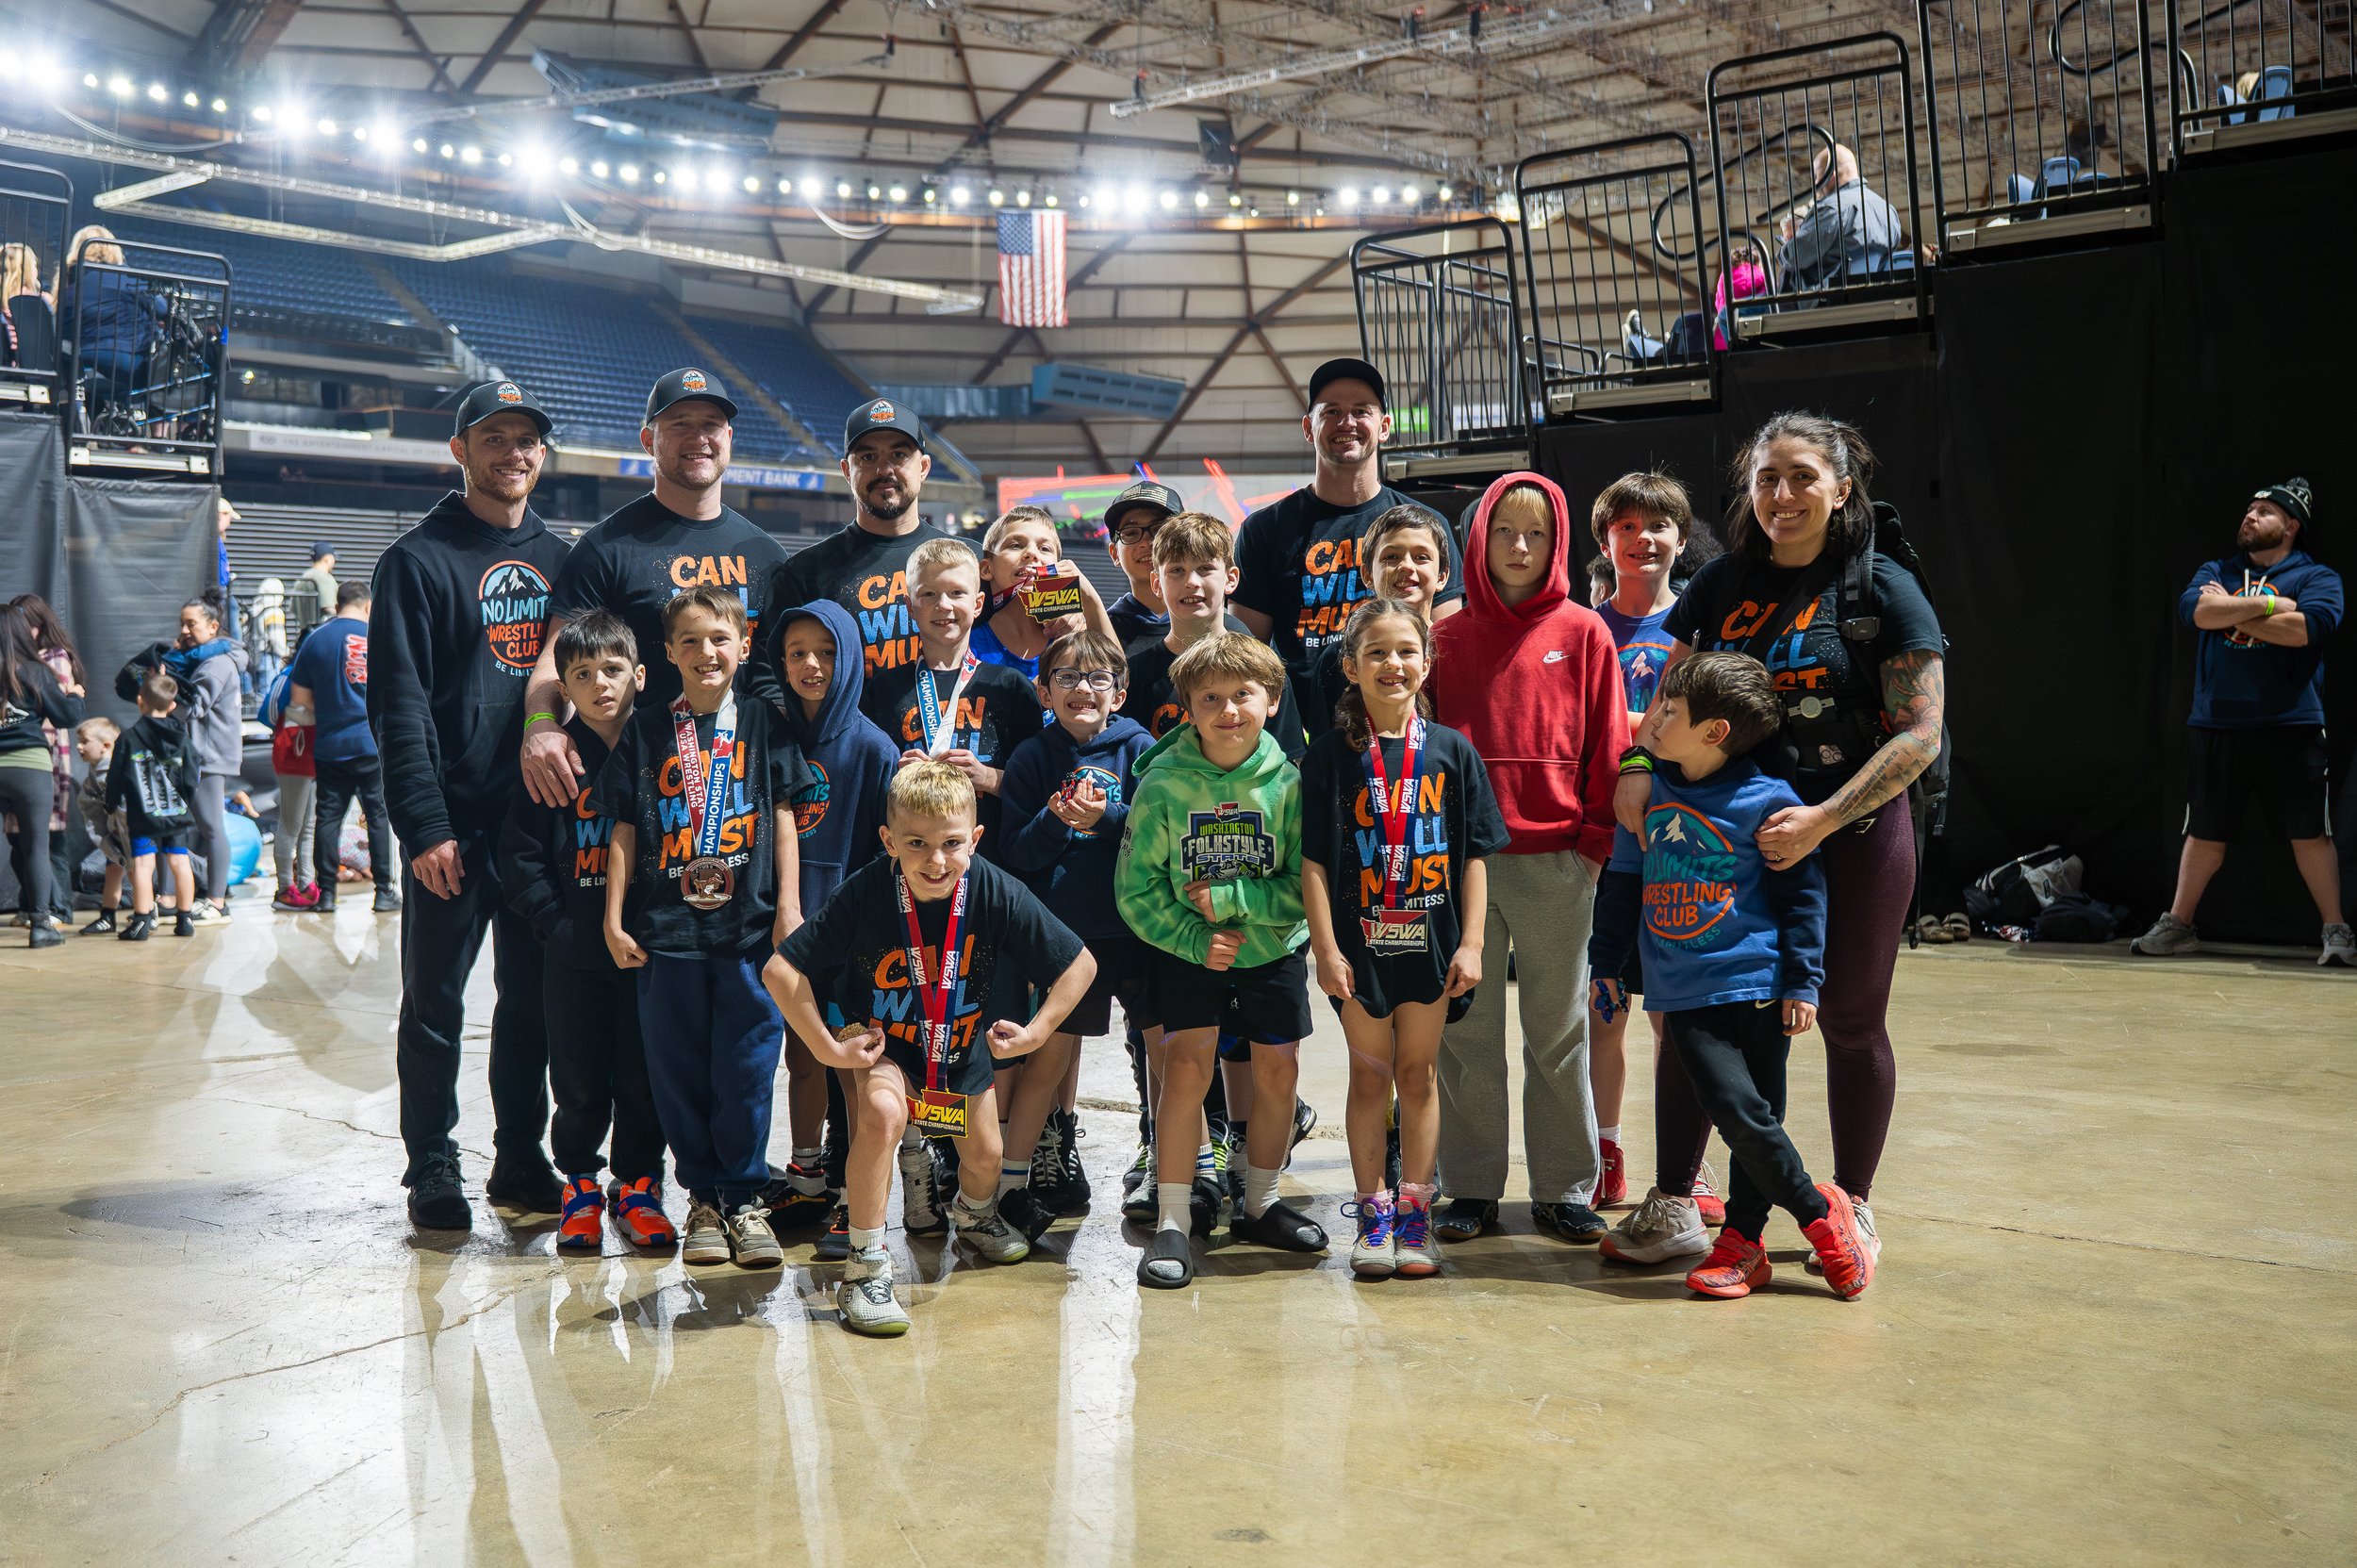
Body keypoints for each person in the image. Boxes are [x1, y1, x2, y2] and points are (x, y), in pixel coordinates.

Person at [1621, 411, 1946, 1276]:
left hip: (1855, 830)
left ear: (1842, 488)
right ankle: (1680, 1196)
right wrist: (1635, 763)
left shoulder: (1884, 588)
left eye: (1803, 475)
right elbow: (1662, 693)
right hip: (1724, 834)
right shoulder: (1723, 583)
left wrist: (1823, 819)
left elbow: (1920, 737)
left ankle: (1851, 1201)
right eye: (1768, 477)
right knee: (1694, 1012)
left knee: (1846, 1016)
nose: (1783, 494)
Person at [768, 760, 1096, 1335]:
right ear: (888, 841)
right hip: (884, 1047)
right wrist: (825, 1048)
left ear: (975, 839)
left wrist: (1038, 1032)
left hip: (961, 1054)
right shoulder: (868, 890)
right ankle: (866, 1267)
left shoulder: (993, 888)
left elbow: (1080, 964)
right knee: (880, 1111)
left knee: (987, 1159)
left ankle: (972, 1217)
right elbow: (781, 971)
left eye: (950, 843)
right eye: (916, 844)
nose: (935, 860)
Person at [1592, 652, 1875, 1298]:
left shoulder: (1770, 802)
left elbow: (1804, 898)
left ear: (1715, 732)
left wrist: (1804, 980)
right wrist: (1603, 963)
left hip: (1759, 986)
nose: (1655, 716)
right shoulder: (1647, 795)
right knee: (1733, 1107)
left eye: (1671, 709)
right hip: (1683, 992)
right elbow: (1622, 886)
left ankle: (1744, 1244)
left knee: (1759, 1117)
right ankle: (1818, 1212)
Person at [370, 379, 572, 1230]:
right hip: (451, 828)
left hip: (535, 831)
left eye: (526, 439)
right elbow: (400, 704)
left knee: (531, 1008)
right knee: (436, 1006)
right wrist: (423, 825)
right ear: (460, 450)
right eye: (494, 437)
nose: (513, 452)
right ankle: (432, 1164)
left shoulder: (565, 561)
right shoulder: (416, 560)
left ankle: (521, 1157)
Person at [1426, 473, 1629, 1244]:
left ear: (1557, 544)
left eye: (1535, 534)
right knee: (1465, 1035)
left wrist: (1593, 848)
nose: (1518, 545)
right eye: (1504, 530)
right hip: (1460, 869)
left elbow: (1608, 745)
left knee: (1558, 1029)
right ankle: (1470, 1187)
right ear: (1478, 539)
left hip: (1557, 866)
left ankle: (1564, 1188)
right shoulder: (1444, 636)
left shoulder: (1583, 632)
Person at [596, 586, 805, 1269]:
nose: (705, 651)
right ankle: (704, 1201)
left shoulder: (767, 724)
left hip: (748, 934)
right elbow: (623, 826)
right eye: (689, 639)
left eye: (719, 637)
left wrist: (789, 910)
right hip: (667, 934)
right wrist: (613, 916)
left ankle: (744, 1198)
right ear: (667, 653)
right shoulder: (649, 728)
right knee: (679, 1071)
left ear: (744, 645)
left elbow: (782, 818)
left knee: (746, 1069)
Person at [1301, 600, 1508, 1279]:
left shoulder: (1453, 751)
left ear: (1427, 660)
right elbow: (1313, 863)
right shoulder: (1329, 756)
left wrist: (1473, 942)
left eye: (1406, 651)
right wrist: (1325, 951)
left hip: (1432, 943)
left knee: (1417, 1075)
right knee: (1370, 1074)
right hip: (1358, 950)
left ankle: (1414, 1213)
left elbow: (1476, 854)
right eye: (1378, 653)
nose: (1394, 664)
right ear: (1351, 666)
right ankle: (1372, 1212)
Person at [1116, 632, 1327, 1288]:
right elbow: (1135, 888)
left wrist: (1237, 898)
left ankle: (1259, 1201)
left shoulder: (1290, 783)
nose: (1228, 709)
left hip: (1272, 951)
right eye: (1211, 697)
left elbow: (1306, 882)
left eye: (1244, 694)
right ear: (1188, 706)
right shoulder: (1162, 785)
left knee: (1278, 1067)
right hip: (1188, 951)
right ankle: (1175, 1217)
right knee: (1184, 1068)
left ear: (1271, 700)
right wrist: (1191, 938)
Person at [522, 369, 789, 810]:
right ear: (648, 440)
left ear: (729, 437)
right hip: (643, 786)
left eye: (710, 425)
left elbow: (776, 675)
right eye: (680, 423)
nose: (698, 437)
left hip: (742, 785)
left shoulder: (766, 554)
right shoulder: (605, 548)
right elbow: (558, 655)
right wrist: (542, 721)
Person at [498, 611, 675, 1252]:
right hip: (573, 956)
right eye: (582, 674)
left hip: (647, 955)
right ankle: (579, 1184)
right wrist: (557, 923)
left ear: (641, 675)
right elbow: (517, 855)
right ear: (562, 689)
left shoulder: (666, 754)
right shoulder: (556, 762)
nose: (600, 684)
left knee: (643, 1078)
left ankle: (639, 1185)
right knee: (576, 1081)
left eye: (612, 670)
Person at [2132, 478, 2350, 965]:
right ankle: (2179, 924)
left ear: (2291, 526)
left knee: (2309, 832)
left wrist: (2228, 613)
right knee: (2205, 831)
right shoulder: (2218, 569)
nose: (2250, 516)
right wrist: (2272, 604)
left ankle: (2336, 931)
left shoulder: (2317, 577)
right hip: (2218, 724)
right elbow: (2196, 612)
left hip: (2292, 725)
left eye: (2265, 512)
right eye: (2249, 509)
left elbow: (2306, 630)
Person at [997, 628, 1158, 1238]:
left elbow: (1155, 833)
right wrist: (1057, 819)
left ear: (1118, 691)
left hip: (1135, 929)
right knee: (1051, 1055)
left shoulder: (1138, 747)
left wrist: (1110, 817)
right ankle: (1013, 1178)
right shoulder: (1034, 757)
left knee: (1160, 1049)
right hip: (1068, 939)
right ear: (1044, 690)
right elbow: (1016, 851)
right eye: (1066, 677)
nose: (1082, 688)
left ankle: (1166, 1165)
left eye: (1097, 678)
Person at [769, 599, 901, 1244]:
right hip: (788, 926)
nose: (811, 664)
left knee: (853, 1062)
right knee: (803, 1054)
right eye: (797, 653)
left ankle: (857, 1194)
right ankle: (807, 1177)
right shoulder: (770, 731)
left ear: (850, 656)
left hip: (851, 931)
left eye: (825, 652)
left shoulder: (875, 746)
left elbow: (885, 848)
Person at [1586, 473, 1695, 1212]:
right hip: (1608, 860)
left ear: (1681, 540)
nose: (1643, 538)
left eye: (1658, 526)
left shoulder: (1698, 624)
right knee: (1606, 1009)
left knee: (1677, 1018)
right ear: (1606, 542)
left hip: (1678, 851)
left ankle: (1687, 1165)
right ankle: (1607, 1149)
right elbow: (1580, 734)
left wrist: (1630, 729)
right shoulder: (1585, 628)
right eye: (1628, 526)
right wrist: (1645, 727)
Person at [1231, 357, 1460, 708]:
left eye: (1361, 411)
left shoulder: (1425, 526)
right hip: (1306, 734)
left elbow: (1446, 644)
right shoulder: (1265, 530)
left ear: (1384, 426)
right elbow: (1247, 653)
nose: (1347, 422)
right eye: (1332, 412)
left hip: (1405, 723)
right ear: (1309, 427)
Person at [859, 537, 1047, 853]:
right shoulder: (883, 690)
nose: (943, 605)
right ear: (911, 607)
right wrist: (897, 779)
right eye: (929, 594)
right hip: (910, 862)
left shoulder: (1010, 687)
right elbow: (864, 787)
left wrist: (988, 777)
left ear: (977, 604)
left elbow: (1040, 786)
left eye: (957, 593)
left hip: (992, 861)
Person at [764, 398, 949, 685]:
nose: (884, 469)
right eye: (867, 457)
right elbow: (771, 678)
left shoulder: (966, 561)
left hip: (953, 726)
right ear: (847, 471)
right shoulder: (804, 574)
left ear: (924, 467)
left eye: (899, 455)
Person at [1127, 511, 1309, 758]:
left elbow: (1290, 762)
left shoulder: (1264, 668)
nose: (1191, 581)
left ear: (1231, 579)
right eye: (1177, 570)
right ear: (1157, 583)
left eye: (1205, 568)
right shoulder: (1133, 676)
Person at [289, 582, 397, 915]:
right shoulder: (379, 637)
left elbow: (299, 700)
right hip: (371, 744)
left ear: (337, 605)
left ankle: (327, 895)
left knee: (328, 820)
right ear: (367, 607)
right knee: (378, 817)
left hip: (330, 746)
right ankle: (384, 892)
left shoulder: (316, 639)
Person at [1303, 504, 1451, 743]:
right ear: (1368, 575)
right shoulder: (1338, 656)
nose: (1406, 566)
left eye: (1421, 557)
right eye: (1391, 557)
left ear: (1442, 576)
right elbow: (1323, 752)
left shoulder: (1457, 649)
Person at [0, 603, 85, 948]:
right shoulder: (37, 671)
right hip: (29, 767)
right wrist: (76, 696)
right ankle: (41, 926)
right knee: (37, 846)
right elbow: (65, 716)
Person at [169, 598, 248, 926]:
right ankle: (174, 896)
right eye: (182, 624)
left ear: (213, 627)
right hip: (199, 755)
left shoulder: (216, 664)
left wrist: (162, 690)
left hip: (208, 758)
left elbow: (192, 707)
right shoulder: (206, 660)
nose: (185, 631)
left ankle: (216, 901)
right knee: (190, 827)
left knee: (212, 828)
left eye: (192, 624)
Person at [105, 670, 199, 941]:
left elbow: (115, 775)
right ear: (171, 706)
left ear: (139, 701)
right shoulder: (182, 737)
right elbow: (192, 773)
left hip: (143, 814)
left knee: (143, 866)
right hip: (176, 812)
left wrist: (111, 804)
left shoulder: (129, 738)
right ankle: (185, 919)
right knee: (180, 861)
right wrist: (185, 800)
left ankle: (142, 921)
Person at [969, 503, 1114, 679]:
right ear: (986, 569)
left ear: (1059, 567)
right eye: (1015, 545)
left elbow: (1116, 681)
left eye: (1044, 548)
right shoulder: (966, 640)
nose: (1031, 553)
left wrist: (1090, 598)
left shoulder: (1073, 633)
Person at [1779, 145, 1903, 291]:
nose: (1814, 184)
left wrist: (1785, 249)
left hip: (1827, 298)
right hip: (1873, 293)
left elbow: (1794, 256)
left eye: (1816, 177)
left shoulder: (1831, 209)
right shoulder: (1888, 210)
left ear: (1831, 177)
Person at [260, 645, 320, 914]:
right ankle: (285, 889)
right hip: (293, 755)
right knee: (290, 825)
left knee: (308, 825)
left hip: (314, 754)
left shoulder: (311, 674)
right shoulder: (288, 675)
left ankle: (306, 885)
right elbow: (269, 713)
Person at [1098, 479, 1188, 654]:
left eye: (1160, 529)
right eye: (1131, 533)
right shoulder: (1101, 631)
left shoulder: (1219, 625)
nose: (1148, 542)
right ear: (1114, 554)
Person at [73, 718, 127, 933]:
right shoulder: (96, 772)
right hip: (114, 833)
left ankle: (148, 913)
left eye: (85, 741)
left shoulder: (116, 772)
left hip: (128, 832)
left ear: (106, 746)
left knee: (134, 871)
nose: (79, 746)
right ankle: (108, 915)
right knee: (113, 869)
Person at [245, 578, 288, 694]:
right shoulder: (274, 612)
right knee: (268, 694)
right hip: (270, 658)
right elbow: (276, 638)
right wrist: (284, 653)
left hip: (254, 658)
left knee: (258, 695)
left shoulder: (253, 610)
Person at [298, 543, 339, 629]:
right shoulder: (324, 577)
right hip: (322, 630)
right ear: (327, 559)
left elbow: (293, 608)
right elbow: (330, 608)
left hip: (304, 632)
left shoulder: (304, 577)